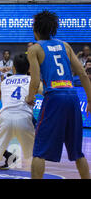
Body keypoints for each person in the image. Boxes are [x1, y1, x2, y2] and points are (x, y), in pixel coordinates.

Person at [25, 11, 91, 179]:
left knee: (39, 151)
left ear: (36, 29)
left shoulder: (35, 49)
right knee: (77, 152)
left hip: (54, 98)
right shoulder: (65, 46)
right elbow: (83, 75)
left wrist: (30, 97)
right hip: (72, 97)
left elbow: (35, 80)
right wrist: (90, 100)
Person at [0, 53, 42, 178]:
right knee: (37, 157)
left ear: (13, 68)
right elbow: (48, 95)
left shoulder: (3, 83)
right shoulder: (33, 82)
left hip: (5, 118)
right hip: (25, 119)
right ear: (29, 69)